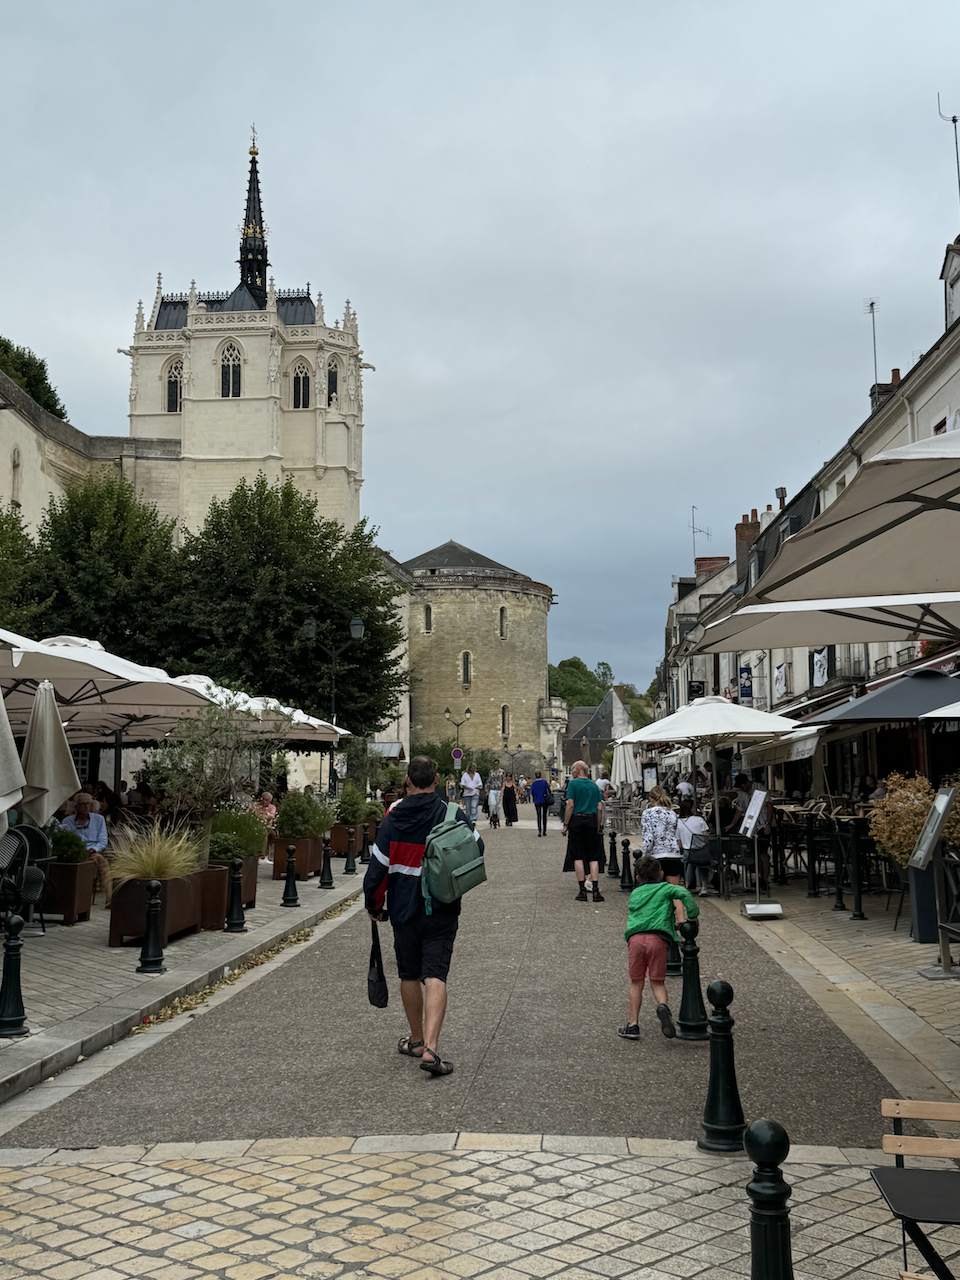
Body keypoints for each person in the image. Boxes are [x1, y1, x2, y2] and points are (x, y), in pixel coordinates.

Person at [363, 755, 484, 1078]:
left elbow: (377, 869)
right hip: (442, 905)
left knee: (408, 973)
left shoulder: (393, 815)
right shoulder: (452, 813)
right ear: (437, 780)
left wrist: (375, 905)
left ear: (407, 781)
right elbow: (477, 848)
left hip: (403, 907)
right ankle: (431, 1047)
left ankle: (416, 1040)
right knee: (436, 974)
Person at [620, 855, 699, 1040]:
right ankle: (663, 1007)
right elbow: (684, 893)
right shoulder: (666, 888)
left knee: (636, 982)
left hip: (636, 939)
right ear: (661, 874)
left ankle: (633, 1025)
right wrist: (692, 915)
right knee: (657, 981)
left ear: (638, 878)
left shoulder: (635, 894)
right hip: (658, 939)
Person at [562, 760, 605, 902]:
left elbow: (570, 804)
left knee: (578, 856)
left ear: (578, 770)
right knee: (593, 856)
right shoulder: (594, 786)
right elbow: (599, 808)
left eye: (574, 770)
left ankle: (582, 891)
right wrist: (598, 825)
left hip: (577, 820)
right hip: (591, 820)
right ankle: (596, 890)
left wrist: (566, 824)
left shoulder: (573, 784)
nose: (573, 773)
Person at [61, 792, 111, 898]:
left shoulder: (99, 819)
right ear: (76, 806)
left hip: (94, 851)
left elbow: (103, 841)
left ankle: (109, 898)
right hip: (76, 853)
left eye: (88, 804)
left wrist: (93, 850)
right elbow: (65, 841)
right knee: (86, 863)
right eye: (82, 804)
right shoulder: (67, 821)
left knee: (102, 862)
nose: (86, 806)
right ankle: (81, 895)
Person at [726, 774, 772, 887]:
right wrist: (732, 824)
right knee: (754, 853)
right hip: (751, 826)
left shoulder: (759, 788)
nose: (741, 788)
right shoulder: (741, 793)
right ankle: (758, 877)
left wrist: (768, 823)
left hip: (762, 824)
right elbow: (739, 810)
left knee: (763, 853)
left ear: (747, 782)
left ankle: (764, 878)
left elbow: (769, 805)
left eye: (742, 785)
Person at [641, 786, 682, 885]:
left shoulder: (647, 813)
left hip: (656, 856)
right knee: (674, 893)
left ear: (651, 798)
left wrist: (644, 855)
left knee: (657, 894)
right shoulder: (671, 813)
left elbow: (649, 839)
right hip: (673, 854)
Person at [677, 798, 713, 895]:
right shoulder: (699, 820)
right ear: (691, 809)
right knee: (701, 864)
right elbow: (705, 837)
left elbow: (679, 842)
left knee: (691, 863)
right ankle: (704, 886)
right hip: (701, 851)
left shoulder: (678, 823)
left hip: (688, 852)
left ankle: (687, 885)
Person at [530, 770, 551, 836]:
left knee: (539, 816)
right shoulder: (544, 782)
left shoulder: (533, 784)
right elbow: (548, 790)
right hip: (544, 800)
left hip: (537, 800)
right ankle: (544, 831)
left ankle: (539, 830)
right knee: (544, 816)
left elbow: (532, 793)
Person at [485, 760, 505, 828]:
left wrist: (502, 791)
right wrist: (487, 790)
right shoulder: (491, 772)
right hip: (492, 790)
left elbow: (503, 782)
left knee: (498, 806)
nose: (495, 765)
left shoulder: (502, 772)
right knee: (492, 804)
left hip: (499, 790)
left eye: (496, 764)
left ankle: (497, 818)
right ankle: (491, 817)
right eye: (494, 764)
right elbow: (489, 781)